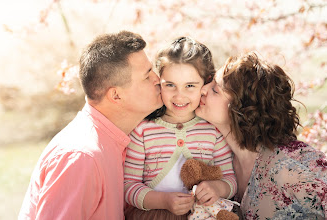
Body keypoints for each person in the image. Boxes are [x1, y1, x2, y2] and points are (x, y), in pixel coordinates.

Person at [18, 31, 163, 220]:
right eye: (147, 76)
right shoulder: (81, 158)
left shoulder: (120, 138)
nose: (158, 79)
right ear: (116, 95)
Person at [195, 51, 327, 219]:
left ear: (240, 108)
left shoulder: (288, 166)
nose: (203, 89)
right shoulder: (220, 155)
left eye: (215, 89)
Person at [124, 36, 237, 219]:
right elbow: (129, 185)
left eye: (190, 86)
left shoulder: (213, 131)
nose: (179, 96)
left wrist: (218, 187)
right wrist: (162, 201)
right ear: (159, 81)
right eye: (170, 85)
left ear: (206, 83)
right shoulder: (143, 130)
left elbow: (231, 180)